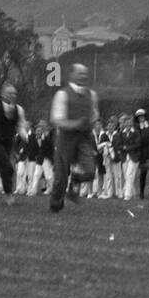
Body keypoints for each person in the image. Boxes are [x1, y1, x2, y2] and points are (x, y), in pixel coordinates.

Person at [48, 63, 99, 213]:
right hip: (65, 138)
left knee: (90, 171)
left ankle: (76, 180)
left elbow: (95, 114)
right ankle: (55, 204)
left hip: (84, 138)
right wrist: (75, 123)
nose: (84, 76)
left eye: (85, 73)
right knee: (61, 178)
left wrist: (92, 121)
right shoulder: (62, 94)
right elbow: (56, 119)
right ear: (71, 75)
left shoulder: (92, 95)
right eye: (80, 73)